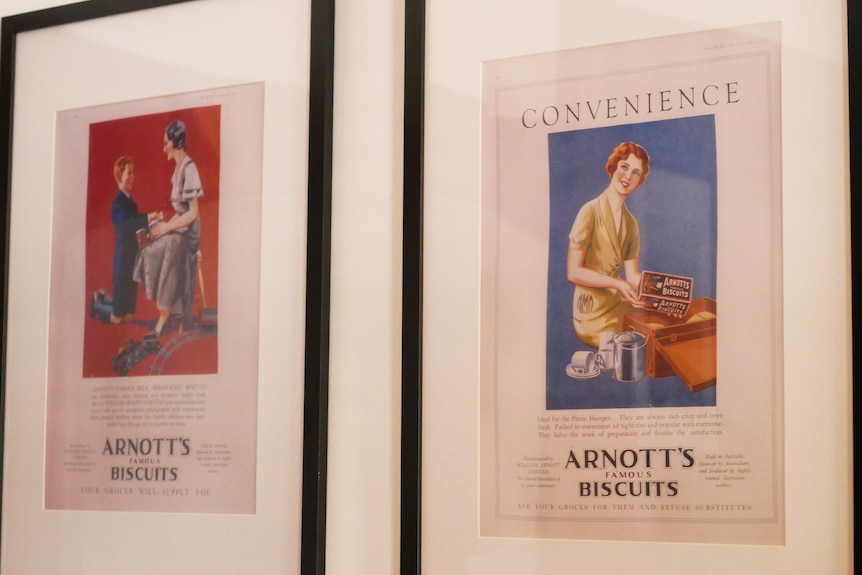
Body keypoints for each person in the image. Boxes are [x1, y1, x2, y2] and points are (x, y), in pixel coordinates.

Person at [566, 141, 650, 348]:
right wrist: (618, 284)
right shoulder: (590, 211)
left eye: (636, 172)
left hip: (616, 306)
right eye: (624, 167)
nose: (628, 176)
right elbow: (573, 272)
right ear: (613, 167)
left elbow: (632, 277)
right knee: (643, 340)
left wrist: (665, 292)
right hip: (590, 316)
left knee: (658, 324)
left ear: (639, 181)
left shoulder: (631, 223)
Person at [133, 120, 204, 336]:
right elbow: (180, 212)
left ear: (175, 142)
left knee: (169, 244)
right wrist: (163, 226)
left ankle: (166, 315)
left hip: (190, 233)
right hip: (180, 226)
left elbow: (192, 213)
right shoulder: (177, 170)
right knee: (148, 246)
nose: (164, 148)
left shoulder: (190, 169)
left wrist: (168, 229)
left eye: (166, 143)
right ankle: (164, 310)